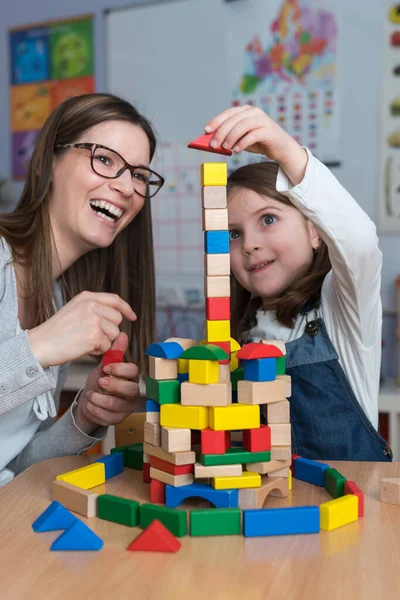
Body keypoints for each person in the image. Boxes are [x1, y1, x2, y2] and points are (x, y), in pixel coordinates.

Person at [204, 105, 391, 461]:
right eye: (233, 233)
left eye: (269, 219)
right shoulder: (234, 335)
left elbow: (361, 243)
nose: (250, 244)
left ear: (314, 231)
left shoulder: (342, 310)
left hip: (344, 511)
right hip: (263, 509)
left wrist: (285, 150)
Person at [0, 93, 164, 484]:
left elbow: (17, 469)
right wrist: (38, 347)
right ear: (50, 162)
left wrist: (84, 416)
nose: (126, 187)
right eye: (105, 159)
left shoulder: (57, 299)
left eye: (139, 175)